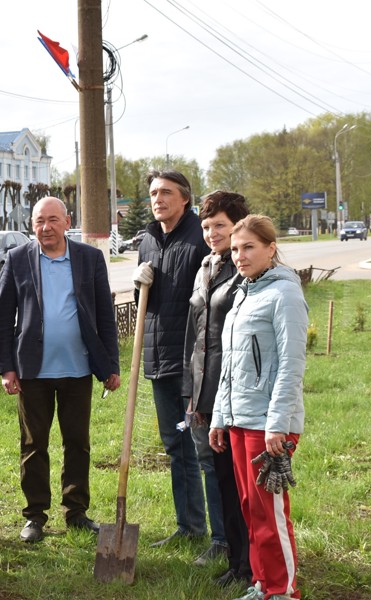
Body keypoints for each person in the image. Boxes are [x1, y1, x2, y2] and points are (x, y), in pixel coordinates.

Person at [0, 197, 121, 543]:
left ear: (68, 221)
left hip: (78, 368)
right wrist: (6, 367)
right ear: (31, 225)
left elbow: (104, 317)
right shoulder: (17, 259)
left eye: (53, 220)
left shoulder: (89, 258)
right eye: (39, 221)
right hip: (32, 371)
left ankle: (76, 511)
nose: (45, 227)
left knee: (77, 442)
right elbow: (4, 319)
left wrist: (110, 364)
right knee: (33, 444)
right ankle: (35, 515)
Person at [209, 215, 307, 600]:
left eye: (248, 247)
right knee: (251, 509)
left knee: (271, 513)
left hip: (268, 425)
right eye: (234, 249)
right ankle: (262, 584)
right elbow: (230, 367)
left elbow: (291, 364)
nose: (239, 256)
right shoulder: (244, 293)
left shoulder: (285, 294)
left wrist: (277, 424)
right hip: (238, 420)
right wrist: (220, 417)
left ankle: (283, 591)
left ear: (270, 248)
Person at [132, 169, 210, 548]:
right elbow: (147, 304)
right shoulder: (148, 239)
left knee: (202, 445)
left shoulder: (200, 237)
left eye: (165, 192)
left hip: (194, 362)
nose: (157, 199)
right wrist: (138, 285)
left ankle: (222, 536)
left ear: (185, 198)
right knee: (175, 445)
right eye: (152, 193)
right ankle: (190, 527)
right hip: (160, 360)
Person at [181, 191, 251, 583]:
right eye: (206, 227)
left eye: (219, 226)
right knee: (222, 475)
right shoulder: (206, 266)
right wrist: (193, 392)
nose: (211, 233)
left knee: (238, 479)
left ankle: (247, 561)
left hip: (236, 387)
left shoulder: (244, 267)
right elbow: (197, 335)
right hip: (206, 388)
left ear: (237, 225)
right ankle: (235, 561)